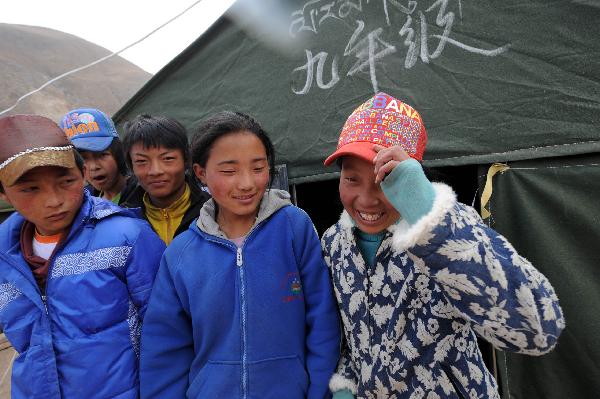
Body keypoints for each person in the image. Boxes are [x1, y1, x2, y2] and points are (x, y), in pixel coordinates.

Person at [321, 93, 565, 399]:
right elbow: (349, 338)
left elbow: (538, 330)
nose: (367, 199)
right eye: (351, 179)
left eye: (383, 178)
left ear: (410, 174)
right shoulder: (335, 243)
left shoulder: (451, 228)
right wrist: (346, 386)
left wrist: (431, 222)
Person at [140, 111, 340, 398]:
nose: (246, 183)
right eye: (229, 171)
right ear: (200, 173)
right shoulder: (180, 254)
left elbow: (322, 321)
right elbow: (164, 351)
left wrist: (318, 391)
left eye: (258, 168)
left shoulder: (294, 228)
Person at [0, 115, 165, 398]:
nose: (53, 200)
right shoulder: (4, 254)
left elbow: (167, 329)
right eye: (30, 189)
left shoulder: (127, 237)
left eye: (66, 181)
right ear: (3, 193)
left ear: (82, 174)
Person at [121, 114, 210, 245]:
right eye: (141, 161)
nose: (155, 171)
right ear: (131, 166)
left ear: (185, 159)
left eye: (167, 158)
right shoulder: (124, 219)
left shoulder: (213, 211)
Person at [60, 107, 134, 204]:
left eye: (102, 155)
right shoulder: (83, 205)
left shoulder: (145, 196)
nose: (94, 167)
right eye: (82, 158)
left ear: (119, 154)